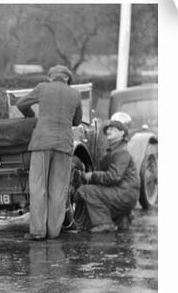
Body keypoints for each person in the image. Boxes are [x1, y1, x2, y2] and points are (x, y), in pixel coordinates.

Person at [16, 65, 83, 240]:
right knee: (58, 189)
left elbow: (21, 103)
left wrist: (32, 116)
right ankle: (53, 232)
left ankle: (38, 232)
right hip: (64, 144)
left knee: (38, 187)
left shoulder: (42, 88)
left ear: (51, 77)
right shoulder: (75, 94)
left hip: (42, 141)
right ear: (67, 78)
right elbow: (76, 121)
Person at [74, 120, 140, 233]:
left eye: (114, 129)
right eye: (108, 129)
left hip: (124, 194)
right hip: (126, 193)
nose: (109, 131)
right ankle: (122, 218)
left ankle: (104, 223)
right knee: (96, 191)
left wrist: (92, 176)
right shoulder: (115, 150)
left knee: (87, 191)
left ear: (122, 134)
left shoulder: (121, 152)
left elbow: (114, 177)